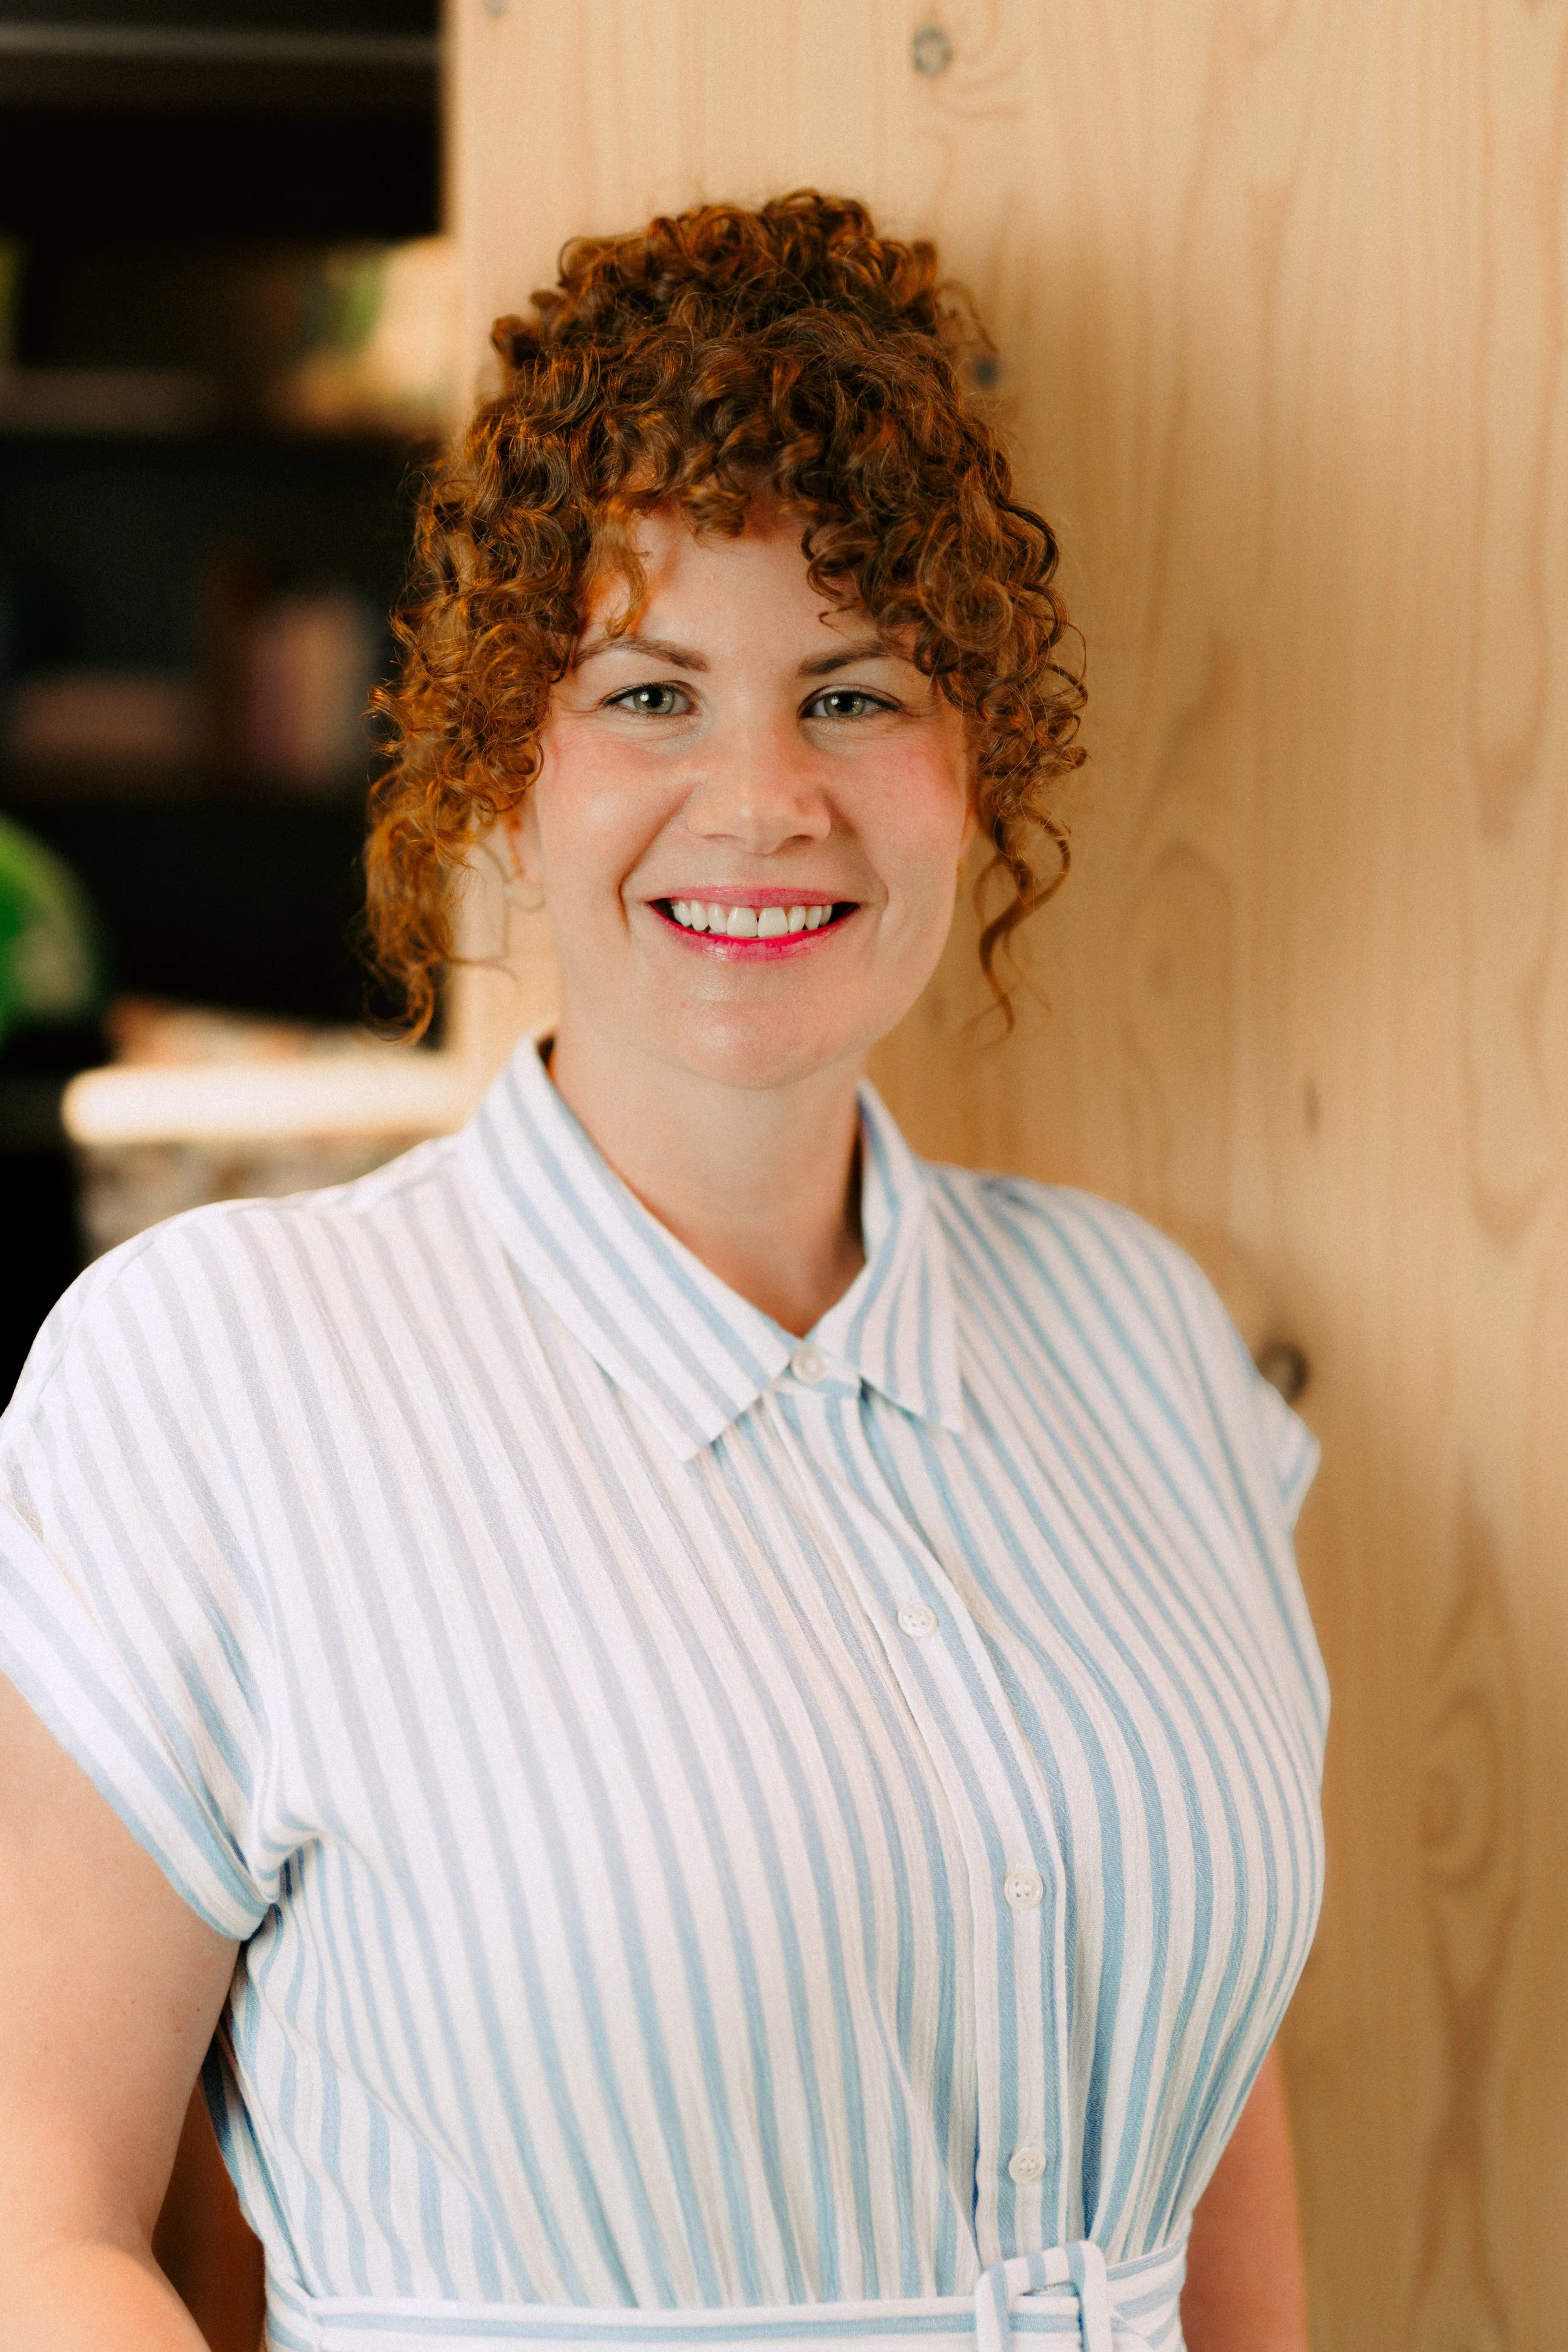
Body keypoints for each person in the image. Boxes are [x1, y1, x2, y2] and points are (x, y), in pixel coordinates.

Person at [0, 194, 1325, 2352]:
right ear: (498, 763)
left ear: (966, 761)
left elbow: (1216, 2122)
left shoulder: (1150, 1341)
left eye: (850, 687)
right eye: (647, 688)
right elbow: (33, 2229)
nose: (760, 794)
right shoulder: (216, 1377)